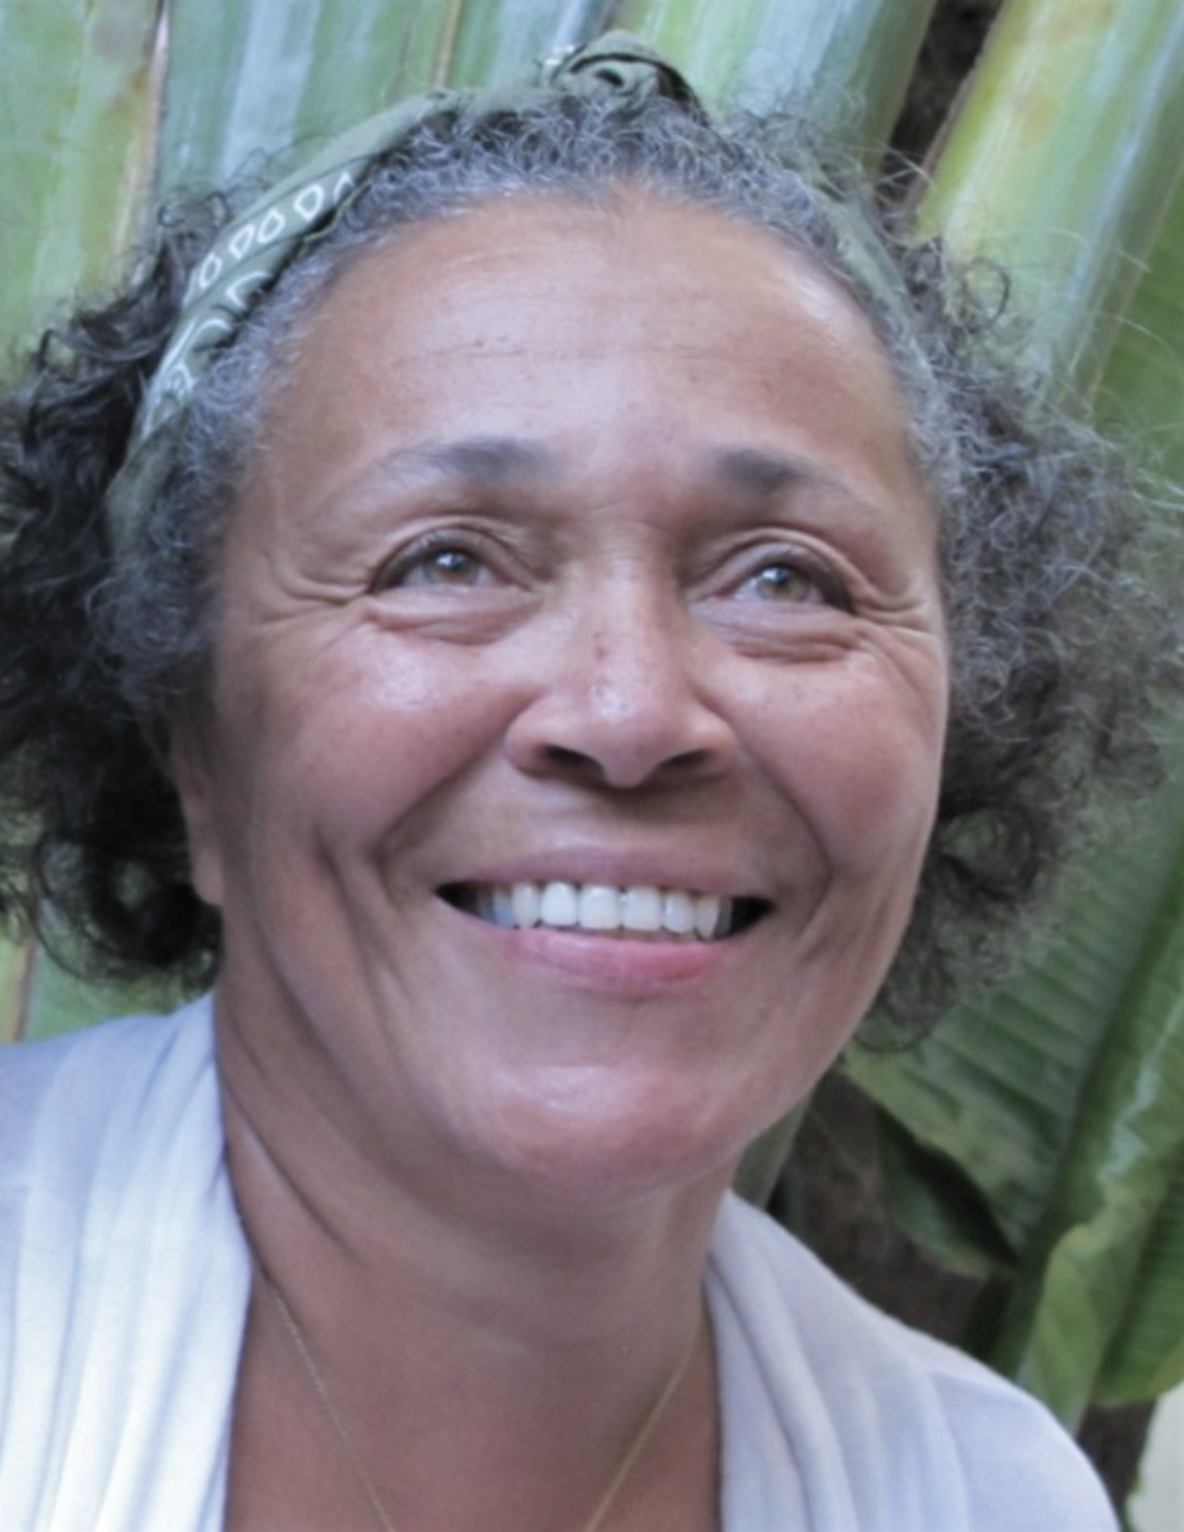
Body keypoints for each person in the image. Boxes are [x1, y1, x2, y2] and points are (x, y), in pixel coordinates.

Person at [0, 32, 1169, 1532]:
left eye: (785, 579)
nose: (630, 712)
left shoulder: (982, 1494)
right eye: (443, 560)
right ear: (192, 748)